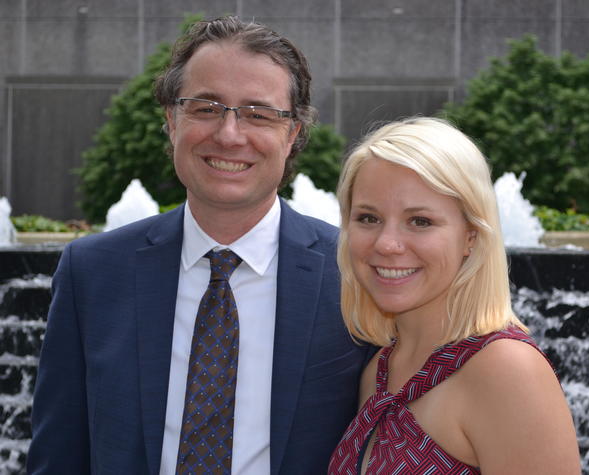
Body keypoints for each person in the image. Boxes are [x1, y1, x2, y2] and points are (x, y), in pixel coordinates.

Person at [27, 17, 371, 474]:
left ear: (293, 134)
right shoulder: (91, 272)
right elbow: (58, 455)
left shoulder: (354, 271)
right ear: (172, 121)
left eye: (258, 113)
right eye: (206, 107)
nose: (229, 134)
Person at [327, 117, 581, 474]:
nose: (386, 244)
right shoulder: (380, 368)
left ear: (471, 236)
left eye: (420, 221)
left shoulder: (507, 371)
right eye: (368, 218)